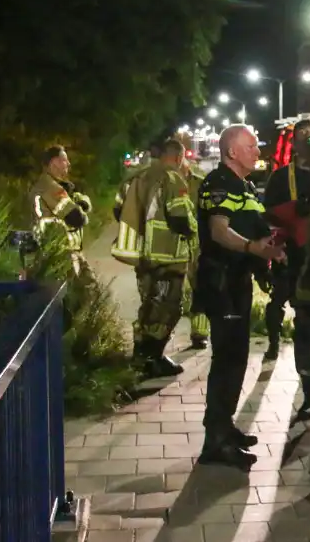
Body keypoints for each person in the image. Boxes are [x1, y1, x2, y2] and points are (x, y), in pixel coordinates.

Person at [194, 124, 285, 468]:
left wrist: (270, 255)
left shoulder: (243, 186)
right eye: (250, 147)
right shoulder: (219, 183)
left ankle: (223, 427)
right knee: (228, 360)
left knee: (236, 358)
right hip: (223, 283)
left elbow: (256, 227)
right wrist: (252, 248)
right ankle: (215, 442)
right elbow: (219, 232)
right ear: (232, 152)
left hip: (237, 281)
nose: (257, 152)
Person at [109, 139, 196, 378]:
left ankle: (141, 355)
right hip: (168, 257)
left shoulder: (133, 178)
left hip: (142, 258)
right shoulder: (173, 177)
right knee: (169, 307)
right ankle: (152, 358)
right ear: (178, 157)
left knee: (148, 304)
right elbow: (179, 217)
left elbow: (118, 211)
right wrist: (194, 229)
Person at [264, 119, 310, 418]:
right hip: (297, 263)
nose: (309, 141)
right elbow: (269, 219)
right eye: (303, 136)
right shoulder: (281, 178)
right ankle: (308, 391)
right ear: (293, 143)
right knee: (304, 328)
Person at [29, 145, 92, 277]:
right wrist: (80, 207)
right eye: (64, 160)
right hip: (60, 253)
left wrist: (78, 203)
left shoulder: (52, 185)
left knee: (88, 291)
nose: (68, 164)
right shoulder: (50, 187)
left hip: (60, 251)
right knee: (85, 291)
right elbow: (77, 218)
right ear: (54, 163)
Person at [180, 157, 211, 349]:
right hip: (171, 247)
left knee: (200, 289)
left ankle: (199, 334)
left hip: (197, 246)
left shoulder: (200, 184)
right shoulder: (166, 183)